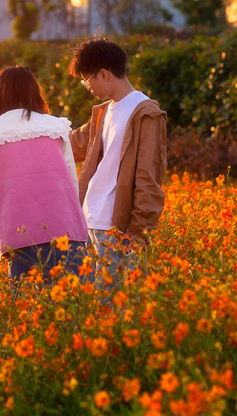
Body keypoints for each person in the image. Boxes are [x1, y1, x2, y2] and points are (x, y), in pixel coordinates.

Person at [0, 66, 88, 289]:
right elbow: (71, 179)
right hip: (67, 231)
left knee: (29, 314)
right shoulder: (55, 127)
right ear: (34, 91)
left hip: (19, 239)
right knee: (77, 308)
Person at [67, 38, 167, 298]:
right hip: (89, 220)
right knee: (93, 305)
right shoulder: (103, 112)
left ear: (104, 74)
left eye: (87, 79)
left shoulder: (146, 113)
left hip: (118, 227)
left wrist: (136, 231)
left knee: (116, 306)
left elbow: (149, 176)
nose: (86, 86)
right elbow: (72, 144)